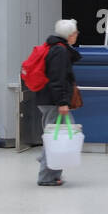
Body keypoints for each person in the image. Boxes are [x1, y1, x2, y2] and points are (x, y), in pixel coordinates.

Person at [36, 19, 81, 186]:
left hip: (47, 99)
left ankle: (50, 168)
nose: (77, 35)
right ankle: (46, 176)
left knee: (54, 135)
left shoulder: (54, 48)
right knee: (56, 137)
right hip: (54, 101)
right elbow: (58, 79)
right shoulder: (60, 52)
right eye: (75, 32)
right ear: (70, 35)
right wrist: (62, 102)